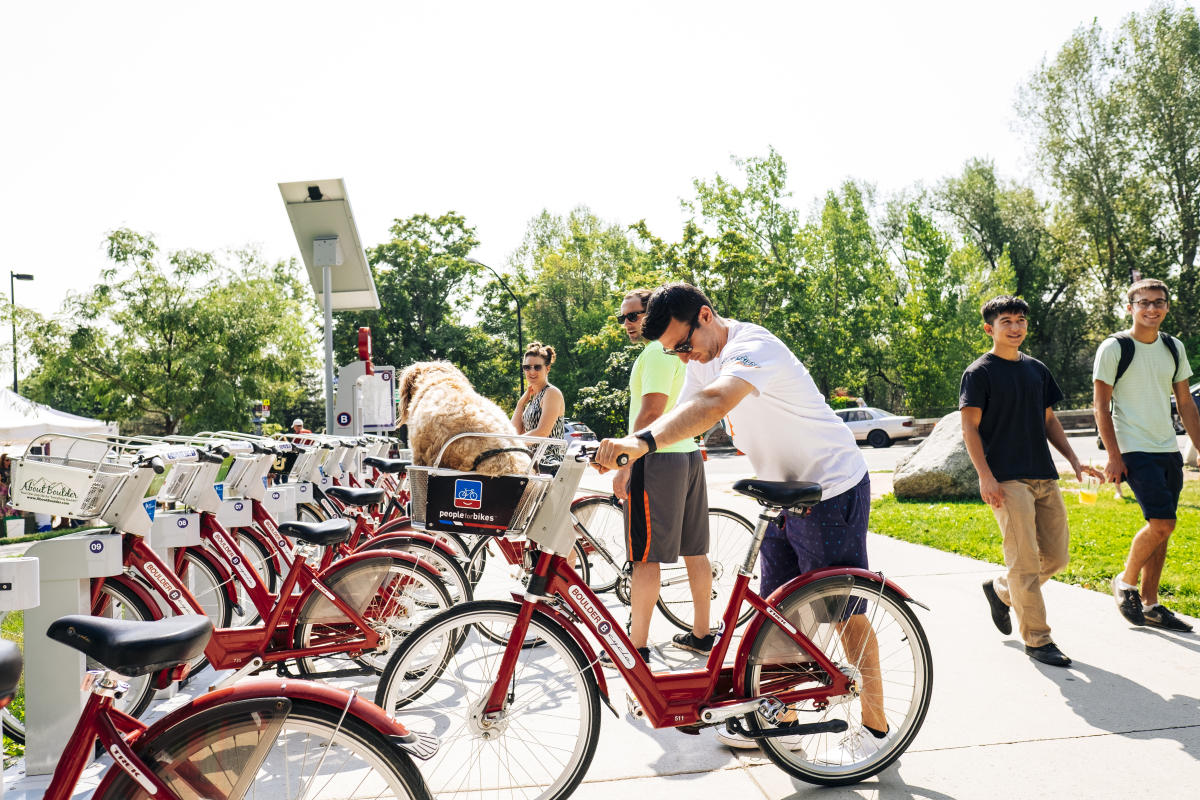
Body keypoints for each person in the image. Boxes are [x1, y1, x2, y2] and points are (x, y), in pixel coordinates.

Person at [594, 282, 883, 757]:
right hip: (783, 492)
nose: (683, 358)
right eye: (673, 352)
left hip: (831, 487)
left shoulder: (754, 347)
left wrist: (640, 445)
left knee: (842, 615)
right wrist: (630, 448)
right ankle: (783, 718)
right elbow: (688, 413)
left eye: (683, 345)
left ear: (706, 316)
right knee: (780, 618)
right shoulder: (701, 358)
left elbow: (713, 405)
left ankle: (876, 730)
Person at [960, 295, 1101, 668]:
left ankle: (1001, 591)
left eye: (1020, 320)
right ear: (990, 328)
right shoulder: (979, 373)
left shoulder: (1037, 369)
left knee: (1055, 556)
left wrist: (1073, 460)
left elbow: (1049, 420)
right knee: (1023, 563)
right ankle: (1038, 640)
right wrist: (985, 477)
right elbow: (969, 429)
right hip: (1006, 480)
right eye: (1006, 321)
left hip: (1043, 474)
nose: (1016, 327)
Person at [608, 289, 712, 664]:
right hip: (688, 455)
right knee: (695, 551)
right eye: (623, 318)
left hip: (656, 460)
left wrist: (625, 463)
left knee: (644, 559)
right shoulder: (680, 351)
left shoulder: (655, 353)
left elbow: (651, 412)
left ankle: (635, 646)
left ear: (653, 314)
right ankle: (702, 634)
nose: (628, 325)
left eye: (634, 316)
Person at [1094, 278, 1199, 632]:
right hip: (1133, 448)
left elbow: (1185, 402)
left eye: (1159, 302)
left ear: (1167, 307)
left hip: (1167, 448)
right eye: (1144, 303)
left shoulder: (1173, 347)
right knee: (1162, 523)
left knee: (1164, 528)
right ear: (1130, 308)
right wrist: (1113, 456)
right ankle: (1125, 583)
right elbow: (1100, 406)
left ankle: (1152, 604)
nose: (1152, 308)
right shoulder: (1114, 347)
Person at [512, 342, 566, 466]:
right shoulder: (531, 399)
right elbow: (514, 432)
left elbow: (542, 432)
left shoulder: (551, 393)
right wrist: (520, 404)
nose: (531, 371)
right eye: (527, 367)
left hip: (548, 461)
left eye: (537, 367)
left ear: (547, 368)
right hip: (529, 461)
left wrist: (513, 442)